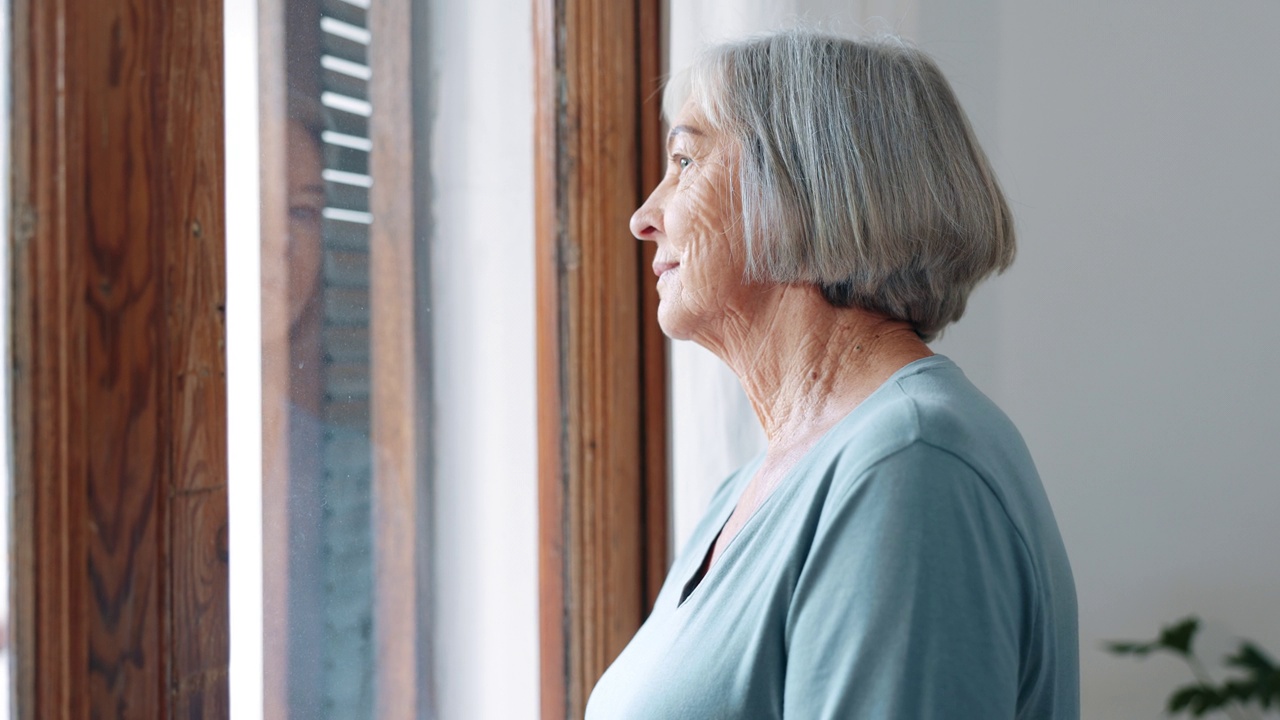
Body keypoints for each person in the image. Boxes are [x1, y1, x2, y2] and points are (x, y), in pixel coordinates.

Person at [586, 30, 1079, 719]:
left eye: (686, 161)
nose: (644, 218)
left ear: (801, 189)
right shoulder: (756, 486)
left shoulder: (909, 468)